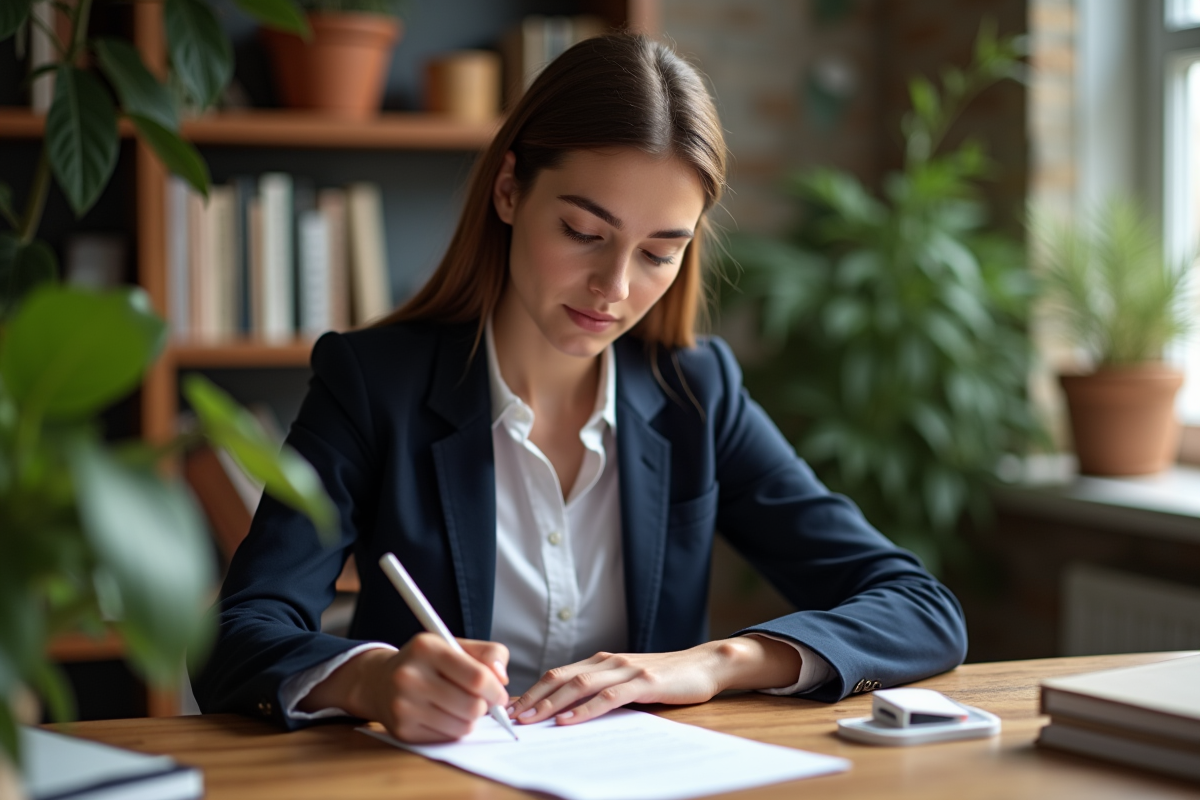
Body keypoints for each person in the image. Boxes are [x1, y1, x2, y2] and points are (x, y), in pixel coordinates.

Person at [192, 32, 967, 744]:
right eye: (583, 233)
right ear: (508, 190)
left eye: (660, 253)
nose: (615, 287)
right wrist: (371, 679)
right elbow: (240, 633)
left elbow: (920, 609)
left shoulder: (698, 395)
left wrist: (714, 662)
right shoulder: (373, 384)